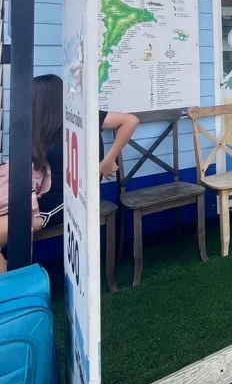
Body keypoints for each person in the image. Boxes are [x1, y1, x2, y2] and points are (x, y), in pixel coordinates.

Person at [0, 75, 138, 271]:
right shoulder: (37, 128)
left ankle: (12, 293)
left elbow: (130, 121)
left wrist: (107, 161)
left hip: (61, 201)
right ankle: (11, 292)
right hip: (32, 197)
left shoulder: (79, 117)